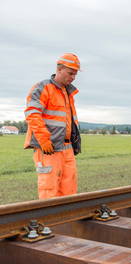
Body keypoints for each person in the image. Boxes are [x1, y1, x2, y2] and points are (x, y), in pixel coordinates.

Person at [24, 53, 81, 199]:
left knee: (69, 190)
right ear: (59, 69)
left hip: (67, 148)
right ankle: (49, 220)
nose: (73, 77)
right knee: (49, 189)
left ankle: (66, 220)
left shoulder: (68, 92)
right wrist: (43, 140)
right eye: (70, 73)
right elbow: (32, 114)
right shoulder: (43, 88)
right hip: (48, 147)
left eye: (75, 74)